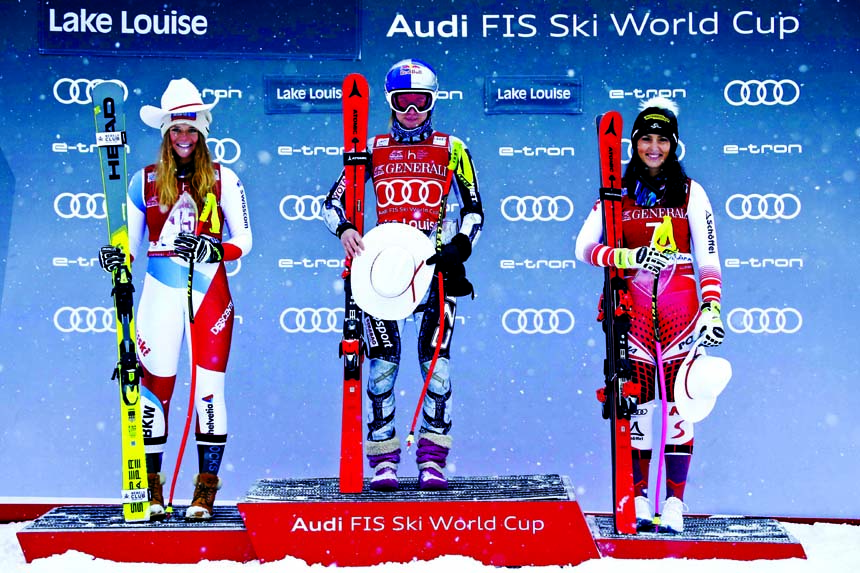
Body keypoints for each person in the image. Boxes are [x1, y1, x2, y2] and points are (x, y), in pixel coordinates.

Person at [323, 59, 484, 491]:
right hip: (382, 273)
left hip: (433, 269)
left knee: (438, 368)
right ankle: (383, 460)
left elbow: (473, 210)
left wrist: (460, 246)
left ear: (432, 102)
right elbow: (331, 204)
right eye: (402, 101)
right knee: (381, 367)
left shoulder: (452, 148)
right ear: (391, 102)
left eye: (420, 101)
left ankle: (432, 458)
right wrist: (347, 229)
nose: (411, 110)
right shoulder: (371, 147)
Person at [98, 78, 252, 520]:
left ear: (202, 130)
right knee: (154, 391)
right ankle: (154, 489)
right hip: (160, 296)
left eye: (190, 129)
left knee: (209, 391)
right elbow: (128, 244)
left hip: (209, 295)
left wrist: (214, 249)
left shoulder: (223, 178)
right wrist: (116, 257)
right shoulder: (143, 181)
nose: (183, 138)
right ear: (166, 133)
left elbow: (246, 237)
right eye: (175, 130)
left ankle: (205, 490)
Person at [574, 97, 724, 533]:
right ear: (634, 144)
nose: (653, 148)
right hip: (631, 314)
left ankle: (675, 502)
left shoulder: (691, 191)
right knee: (635, 410)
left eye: (661, 140)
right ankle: (638, 498)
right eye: (645, 140)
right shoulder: (614, 190)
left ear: (673, 146)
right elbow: (582, 247)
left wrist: (712, 309)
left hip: (681, 311)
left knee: (680, 408)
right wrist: (625, 254)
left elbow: (708, 257)